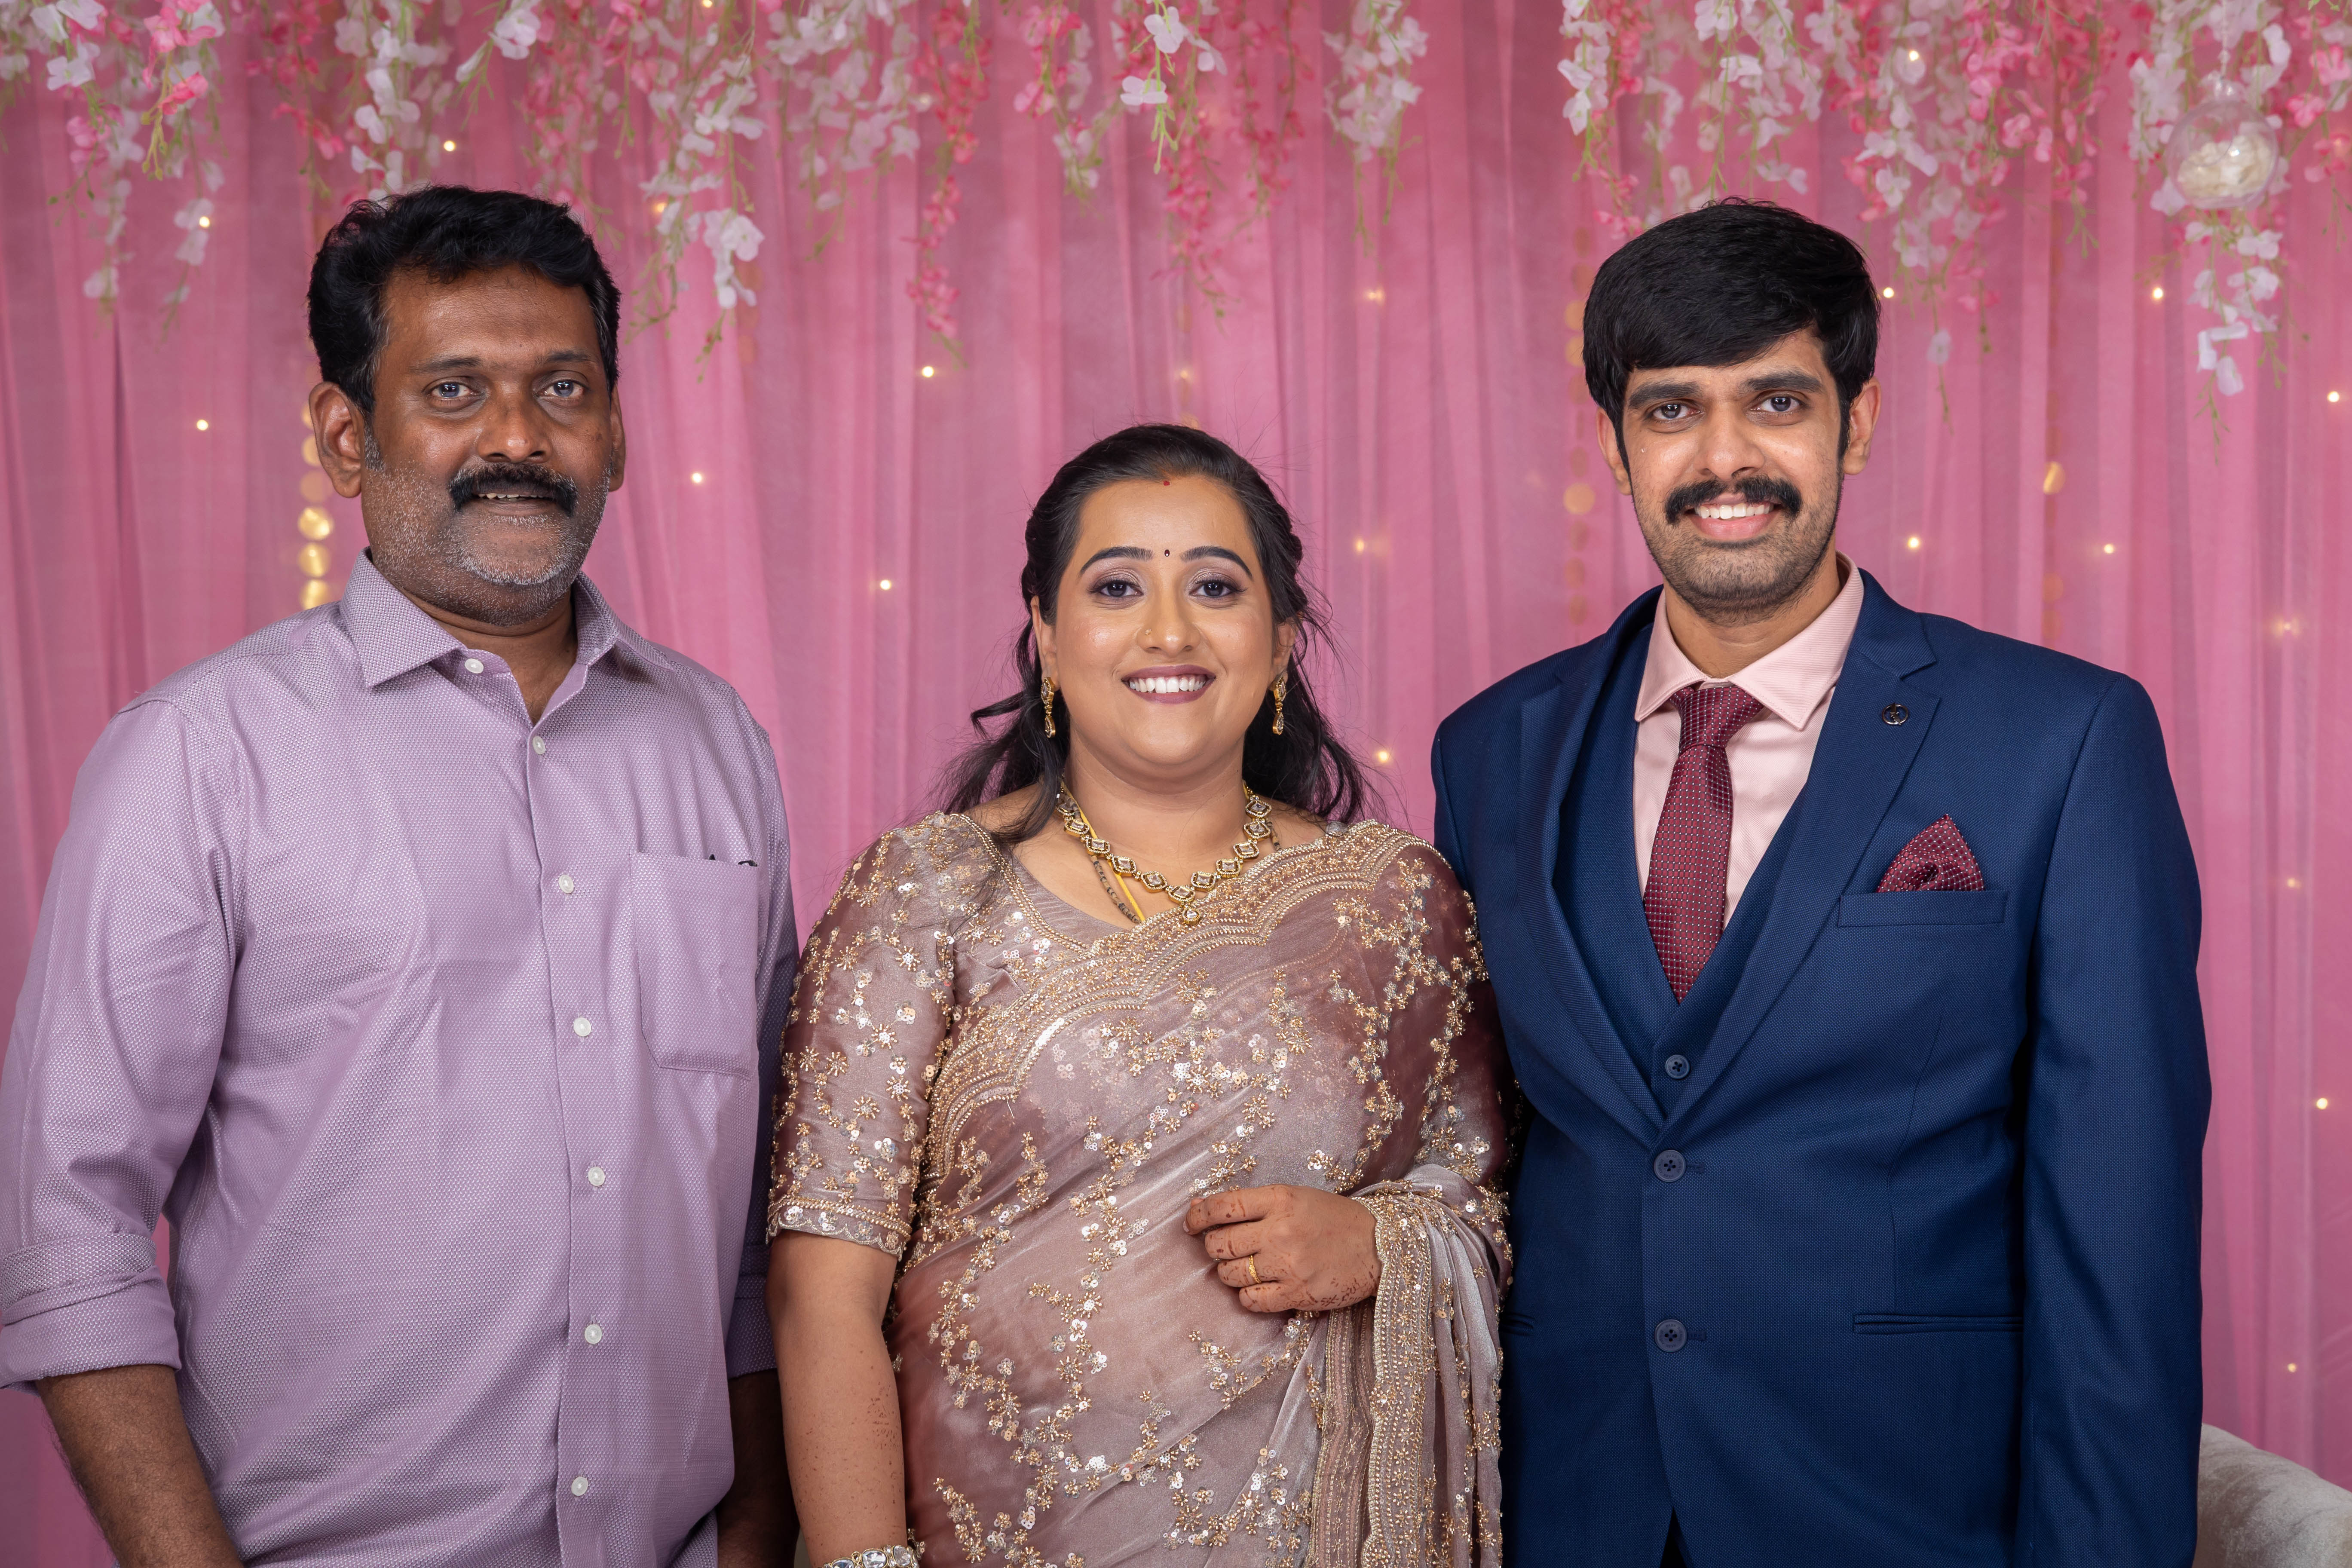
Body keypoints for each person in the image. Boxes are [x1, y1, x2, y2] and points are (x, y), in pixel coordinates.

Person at [0, 187, 796, 1567]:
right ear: (343, 434)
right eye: (453, 390)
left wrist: (760, 1527)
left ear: (615, 433)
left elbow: (754, 1222)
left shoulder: (714, 741)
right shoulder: (201, 756)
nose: (517, 437)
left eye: (563, 389)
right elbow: (66, 1227)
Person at [1431, 199, 2209, 1567]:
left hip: (1910, 1515)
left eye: (1776, 402)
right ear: (1615, 443)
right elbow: (1479, 1146)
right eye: (1671, 411)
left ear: (1856, 422)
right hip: (1575, 1511)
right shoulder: (1493, 748)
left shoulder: (2062, 737)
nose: (1724, 459)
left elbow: (2120, 1224)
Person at [767, 424, 1514, 1568]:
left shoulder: (1394, 905)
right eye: (1117, 587)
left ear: (1281, 638)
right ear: (1047, 635)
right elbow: (822, 1290)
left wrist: (1383, 1243)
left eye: (1216, 586)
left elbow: (1495, 1207)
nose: (1169, 630)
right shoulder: (928, 893)